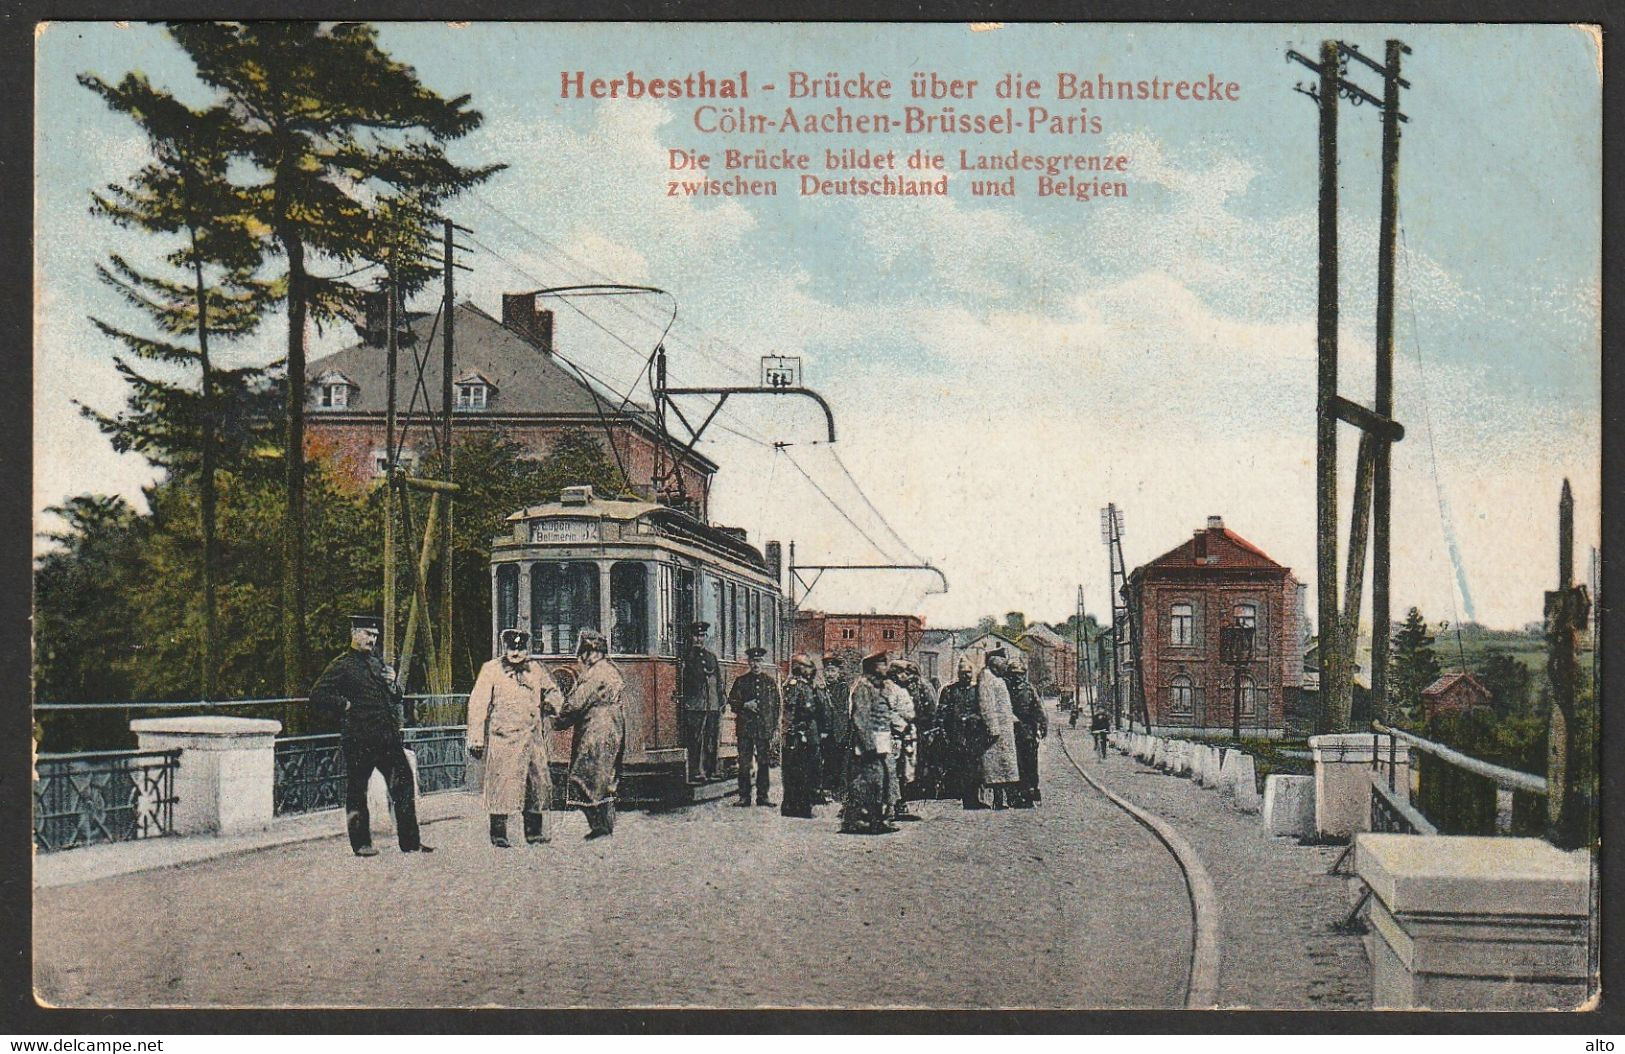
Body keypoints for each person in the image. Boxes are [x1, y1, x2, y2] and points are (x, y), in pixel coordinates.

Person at [309, 615, 432, 856]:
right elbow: (318, 694)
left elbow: (396, 697)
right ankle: (361, 844)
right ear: (354, 633)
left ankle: (410, 842)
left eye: (375, 635)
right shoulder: (341, 665)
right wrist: (343, 704)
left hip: (387, 738)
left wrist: (393, 683)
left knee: (404, 783)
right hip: (359, 739)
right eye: (367, 634)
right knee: (357, 790)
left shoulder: (378, 664)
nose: (371, 639)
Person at [466, 629, 563, 848]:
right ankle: (498, 832)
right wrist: (476, 738)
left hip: (531, 738)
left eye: (520, 649)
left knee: (534, 784)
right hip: (504, 738)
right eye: (512, 648)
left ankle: (534, 831)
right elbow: (478, 704)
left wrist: (551, 703)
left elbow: (553, 691)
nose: (516, 653)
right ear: (504, 648)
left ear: (527, 650)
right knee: (501, 784)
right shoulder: (491, 670)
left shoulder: (536, 670)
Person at [555, 630, 626, 839]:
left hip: (596, 727)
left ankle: (600, 826)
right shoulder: (611, 670)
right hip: (614, 725)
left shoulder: (594, 674)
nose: (588, 657)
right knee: (606, 777)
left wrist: (558, 720)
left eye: (590, 652)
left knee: (584, 777)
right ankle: (605, 826)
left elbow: (576, 703)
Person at [841, 650, 896, 835]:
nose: (885, 668)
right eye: (882, 664)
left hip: (880, 743)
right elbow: (861, 718)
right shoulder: (863, 687)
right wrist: (869, 746)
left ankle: (875, 820)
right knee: (867, 783)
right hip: (868, 746)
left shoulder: (880, 686)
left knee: (880, 782)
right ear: (874, 667)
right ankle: (856, 821)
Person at [728, 646, 782, 807]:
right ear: (749, 663)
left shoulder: (769, 683)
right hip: (745, 729)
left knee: (763, 763)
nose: (756, 664)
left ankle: (763, 796)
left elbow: (776, 706)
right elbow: (732, 702)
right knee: (745, 764)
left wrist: (774, 728)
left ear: (762, 662)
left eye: (758, 661)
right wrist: (745, 704)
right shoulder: (741, 681)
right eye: (753, 661)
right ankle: (744, 797)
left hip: (764, 729)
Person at [677, 621, 726, 783]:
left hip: (712, 704)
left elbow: (718, 679)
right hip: (695, 705)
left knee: (711, 738)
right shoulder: (687, 656)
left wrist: (721, 699)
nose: (699, 639)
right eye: (697, 636)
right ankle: (696, 771)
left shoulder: (711, 657)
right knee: (695, 740)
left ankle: (711, 770)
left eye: (702, 636)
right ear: (692, 637)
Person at [779, 653, 825, 818]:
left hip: (810, 731)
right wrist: (789, 732)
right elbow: (789, 711)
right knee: (796, 771)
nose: (810, 670)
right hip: (798, 733)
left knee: (809, 769)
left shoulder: (809, 685)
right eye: (806, 667)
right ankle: (795, 806)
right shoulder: (794, 685)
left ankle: (805, 805)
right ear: (799, 668)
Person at [977, 649, 1022, 809]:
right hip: (996, 732)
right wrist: (993, 728)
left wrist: (1012, 719)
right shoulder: (987, 679)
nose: (1005, 669)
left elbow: (1003, 705)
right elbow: (986, 706)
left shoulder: (997, 679)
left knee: (1004, 767)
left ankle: (1005, 799)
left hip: (1004, 729)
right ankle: (997, 800)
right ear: (995, 665)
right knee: (995, 768)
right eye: (1003, 665)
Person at [937, 658, 984, 808]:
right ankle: (959, 795)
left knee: (974, 767)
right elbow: (941, 714)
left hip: (973, 734)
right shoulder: (949, 690)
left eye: (969, 672)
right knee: (958, 767)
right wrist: (944, 733)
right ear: (958, 674)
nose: (966, 675)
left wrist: (973, 719)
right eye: (963, 673)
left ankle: (973, 799)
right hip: (955, 735)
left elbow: (983, 711)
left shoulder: (977, 690)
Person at [1004, 655, 1048, 808]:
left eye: (1019, 674)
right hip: (1010, 733)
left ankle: (1031, 792)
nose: (1016, 677)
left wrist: (1043, 726)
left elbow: (1038, 709)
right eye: (1013, 674)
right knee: (1014, 764)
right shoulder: (1004, 689)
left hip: (1028, 732)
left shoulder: (1029, 689)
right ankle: (1016, 795)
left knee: (1030, 763)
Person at [883, 661, 920, 822]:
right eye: (901, 673)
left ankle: (900, 804)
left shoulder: (901, 689)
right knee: (894, 771)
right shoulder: (889, 688)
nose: (905, 676)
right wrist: (901, 726)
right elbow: (888, 712)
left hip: (906, 735)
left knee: (904, 771)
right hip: (895, 736)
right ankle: (892, 806)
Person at [905, 660, 945, 800]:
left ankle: (925, 789)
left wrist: (931, 730)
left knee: (923, 759)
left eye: (910, 673)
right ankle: (912, 789)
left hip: (923, 728)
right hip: (909, 728)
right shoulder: (904, 686)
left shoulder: (924, 686)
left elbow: (932, 710)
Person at [819, 655, 852, 798]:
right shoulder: (821, 688)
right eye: (827, 671)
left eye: (833, 671)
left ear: (838, 673)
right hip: (824, 731)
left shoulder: (843, 688)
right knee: (825, 759)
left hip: (839, 730)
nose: (829, 674)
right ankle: (826, 788)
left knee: (839, 760)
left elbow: (840, 710)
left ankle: (838, 790)